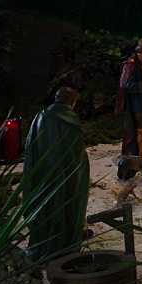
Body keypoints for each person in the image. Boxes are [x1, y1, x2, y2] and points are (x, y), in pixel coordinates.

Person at [23, 86, 90, 262]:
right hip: (65, 173)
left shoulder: (41, 116)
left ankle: (44, 241)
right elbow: (76, 153)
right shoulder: (71, 121)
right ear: (72, 102)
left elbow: (31, 148)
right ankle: (63, 242)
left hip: (42, 173)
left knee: (45, 204)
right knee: (65, 203)